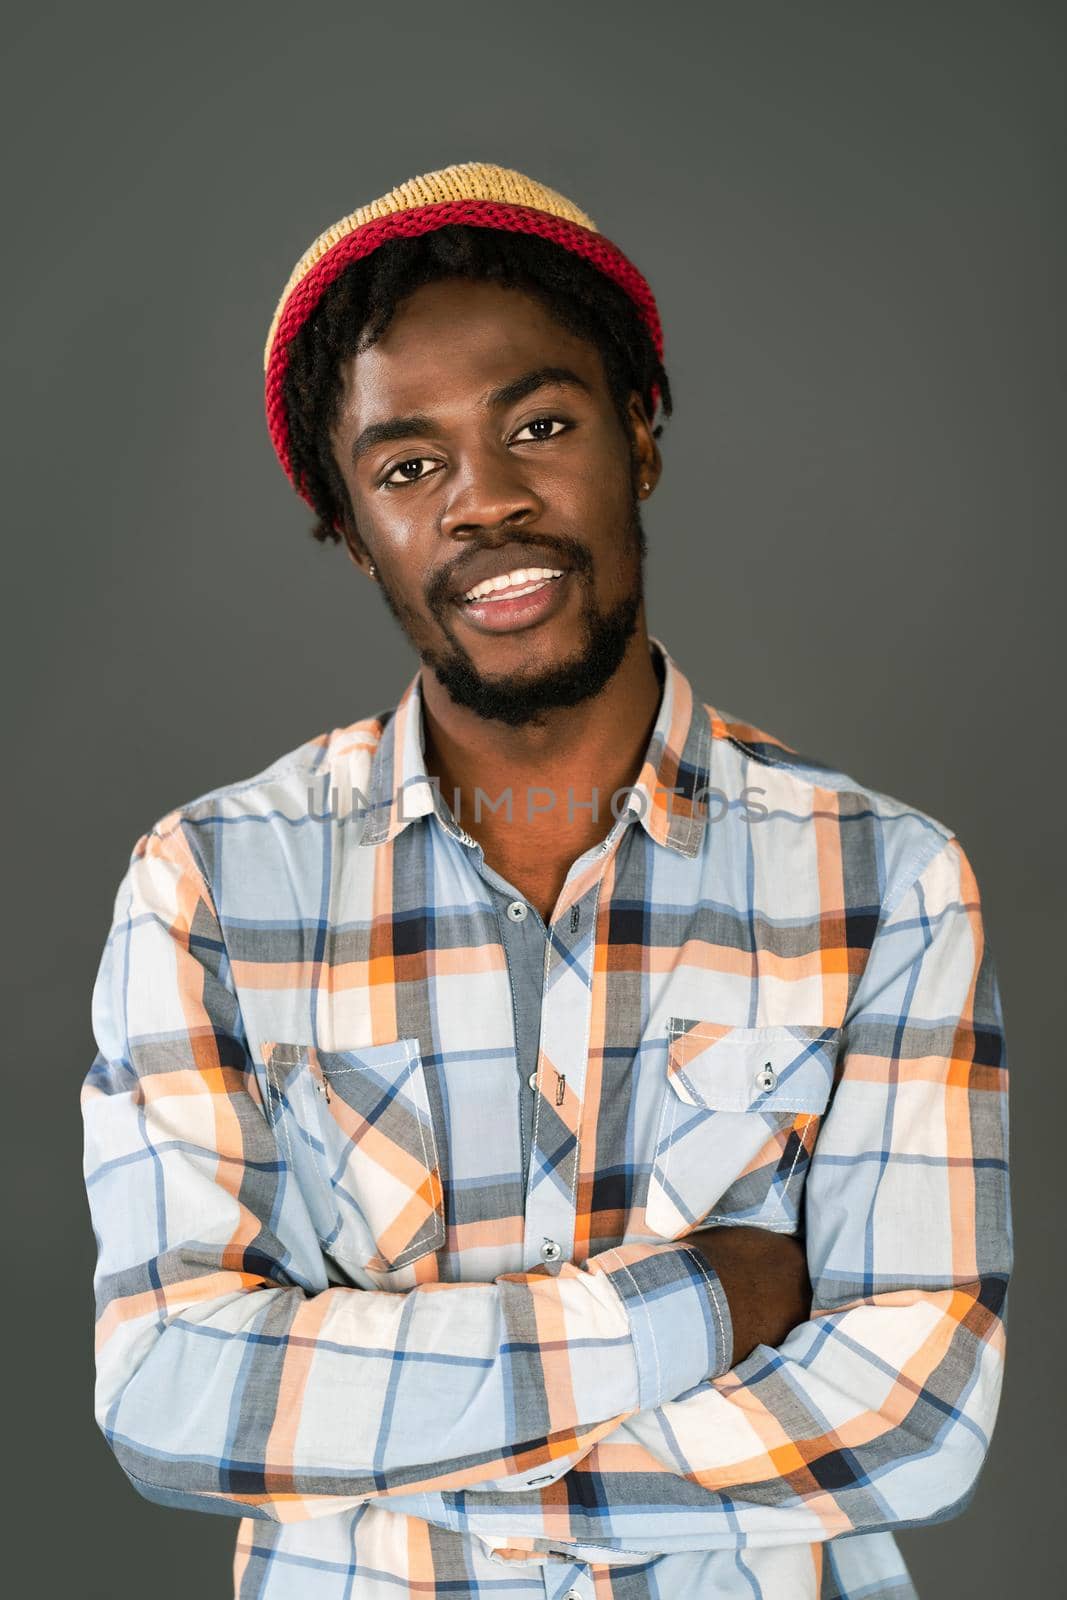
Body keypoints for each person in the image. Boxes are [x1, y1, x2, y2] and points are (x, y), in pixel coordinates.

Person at [81, 162, 1011, 1600]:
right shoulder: (206, 889)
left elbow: (914, 1420)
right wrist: (696, 1304)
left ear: (639, 437)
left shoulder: (888, 881)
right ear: (347, 522)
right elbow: (172, 1390)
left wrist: (405, 1472)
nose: (485, 502)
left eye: (540, 425)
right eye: (408, 468)